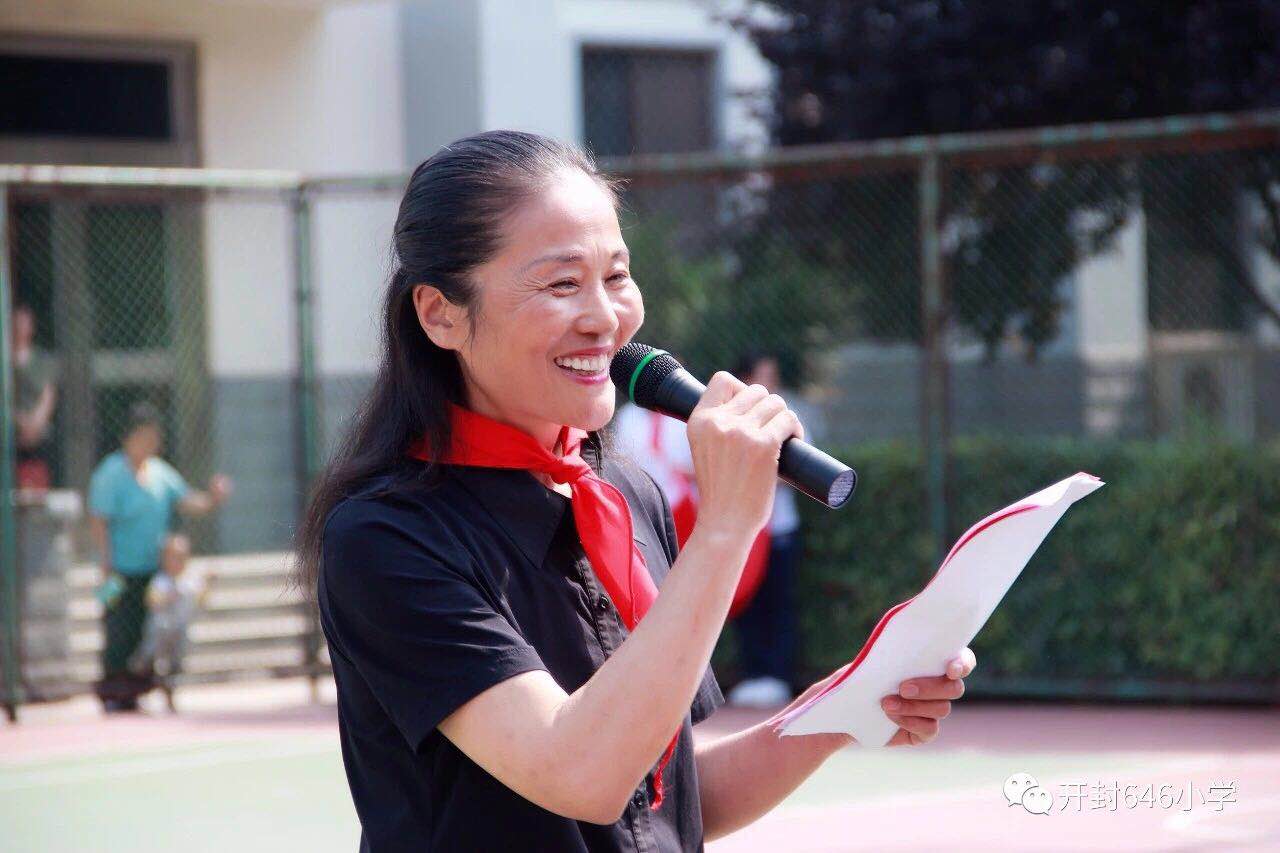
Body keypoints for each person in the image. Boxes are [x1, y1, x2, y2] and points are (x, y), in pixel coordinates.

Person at [293, 130, 977, 852]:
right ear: (441, 314)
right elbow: (581, 774)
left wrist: (839, 707)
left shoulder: (625, 495)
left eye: (616, 276)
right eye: (562, 284)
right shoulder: (387, 536)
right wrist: (725, 527)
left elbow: (665, 801)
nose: (605, 318)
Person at [87, 402, 232, 712]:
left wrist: (213, 498)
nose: (151, 442)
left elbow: (187, 499)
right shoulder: (110, 473)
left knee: (148, 632)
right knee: (117, 630)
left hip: (154, 570)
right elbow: (98, 521)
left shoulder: (160, 472)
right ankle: (114, 692)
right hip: (118, 571)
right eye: (145, 435)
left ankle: (138, 691)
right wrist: (105, 563)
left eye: (155, 436)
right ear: (129, 437)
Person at [725, 351, 824, 709]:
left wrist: (754, 473)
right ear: (744, 378)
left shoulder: (788, 416)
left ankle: (778, 677)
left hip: (779, 531)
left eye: (773, 375)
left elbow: (802, 472)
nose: (771, 382)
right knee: (745, 602)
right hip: (742, 532)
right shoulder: (727, 417)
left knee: (779, 603)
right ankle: (753, 675)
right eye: (763, 375)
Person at [129, 532, 209, 707]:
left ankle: (170, 690)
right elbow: (151, 600)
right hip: (160, 630)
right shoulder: (160, 581)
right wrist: (167, 597)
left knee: (177, 661)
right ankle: (141, 681)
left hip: (180, 629)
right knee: (150, 656)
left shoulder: (191, 581)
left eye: (181, 557)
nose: (177, 562)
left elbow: (201, 601)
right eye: (172, 557)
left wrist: (208, 586)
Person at [10, 303, 58, 491]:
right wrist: (19, 421)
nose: (21, 327)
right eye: (17, 322)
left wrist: (36, 423)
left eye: (25, 322)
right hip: (11, 426)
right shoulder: (5, 361)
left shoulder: (42, 360)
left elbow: (48, 395)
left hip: (39, 430)